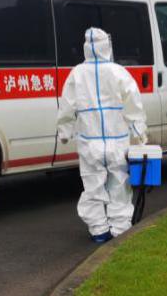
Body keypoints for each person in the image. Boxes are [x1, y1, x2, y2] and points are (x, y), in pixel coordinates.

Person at [56, 27, 148, 242]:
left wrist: (65, 132)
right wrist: (139, 132)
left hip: (90, 142)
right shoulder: (118, 72)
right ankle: (120, 229)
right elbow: (133, 104)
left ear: (86, 48)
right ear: (107, 46)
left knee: (93, 187)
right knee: (119, 185)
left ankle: (99, 230)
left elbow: (67, 106)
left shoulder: (77, 74)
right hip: (117, 142)